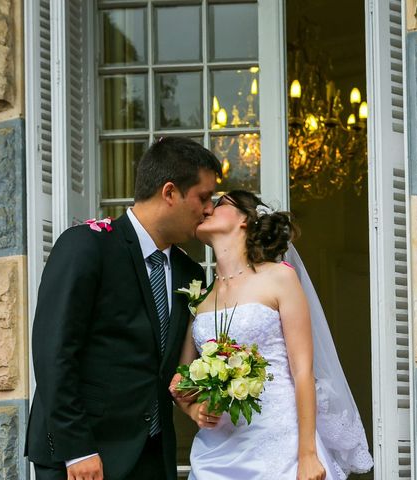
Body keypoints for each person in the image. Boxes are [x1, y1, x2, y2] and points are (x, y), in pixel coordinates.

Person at [25, 136, 222, 480]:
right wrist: (78, 449)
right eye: (204, 198)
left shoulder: (191, 273)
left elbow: (171, 366)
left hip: (152, 455)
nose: (209, 209)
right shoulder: (87, 245)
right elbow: (53, 351)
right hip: (84, 454)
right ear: (170, 192)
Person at [171, 190, 373, 479]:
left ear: (245, 220)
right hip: (216, 452)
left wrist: (307, 454)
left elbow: (303, 372)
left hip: (281, 444)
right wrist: (194, 411)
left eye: (219, 204)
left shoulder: (280, 277)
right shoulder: (201, 297)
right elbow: (180, 379)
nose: (207, 209)